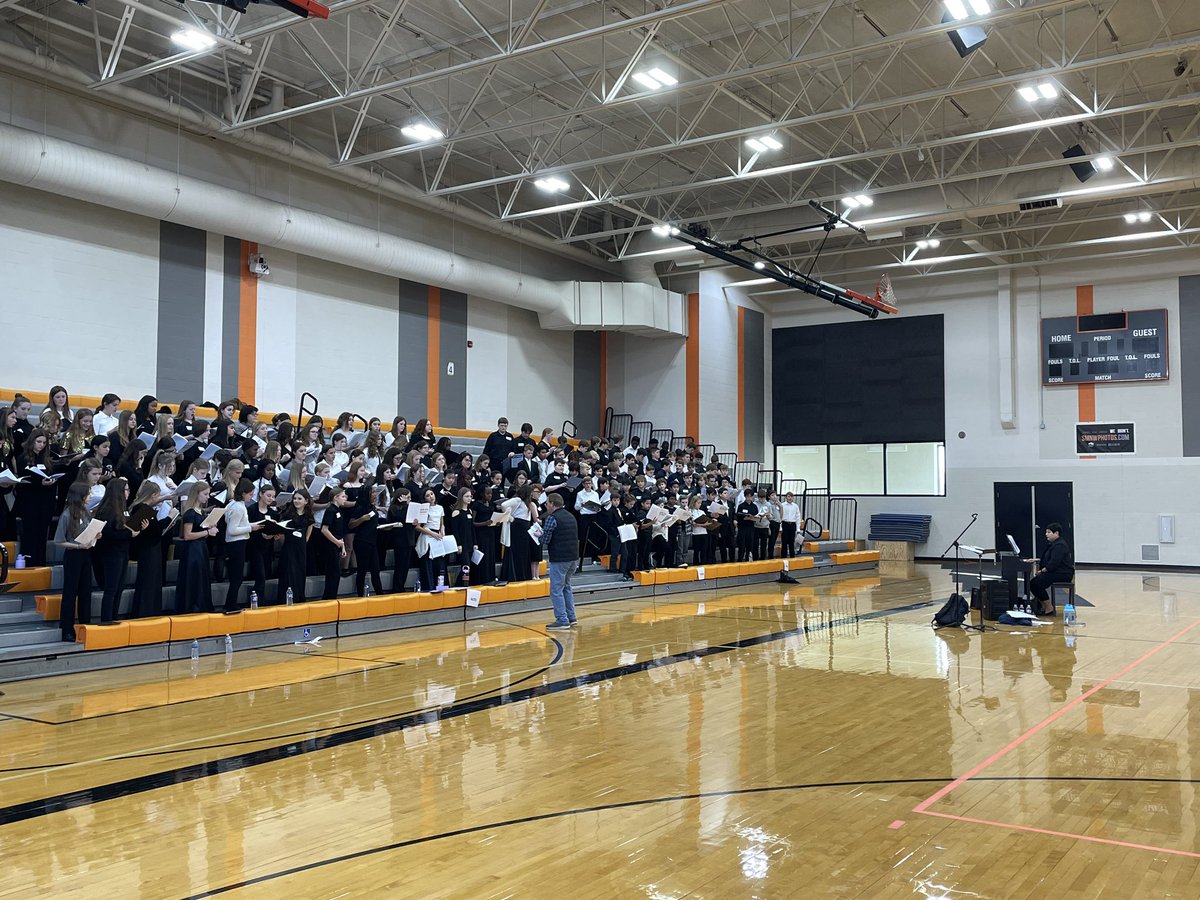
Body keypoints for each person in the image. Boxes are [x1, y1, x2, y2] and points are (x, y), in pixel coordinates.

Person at [539, 492, 579, 631]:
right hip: (573, 558)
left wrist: (539, 535)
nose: (546, 506)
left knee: (556, 589)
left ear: (551, 503)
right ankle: (571, 617)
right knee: (566, 587)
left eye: (547, 503)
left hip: (560, 558)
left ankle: (562, 619)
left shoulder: (552, 517)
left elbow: (545, 539)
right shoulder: (571, 516)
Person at [1026, 523, 1074, 615]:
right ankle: (1044, 605)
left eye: (1048, 532)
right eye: (1046, 532)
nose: (1046, 534)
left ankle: (1049, 607)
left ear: (1056, 533)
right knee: (1034, 583)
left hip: (1063, 574)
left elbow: (1053, 564)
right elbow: (1050, 558)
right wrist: (1036, 560)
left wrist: (1041, 571)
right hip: (1056, 572)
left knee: (1035, 583)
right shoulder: (1055, 544)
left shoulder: (1060, 545)